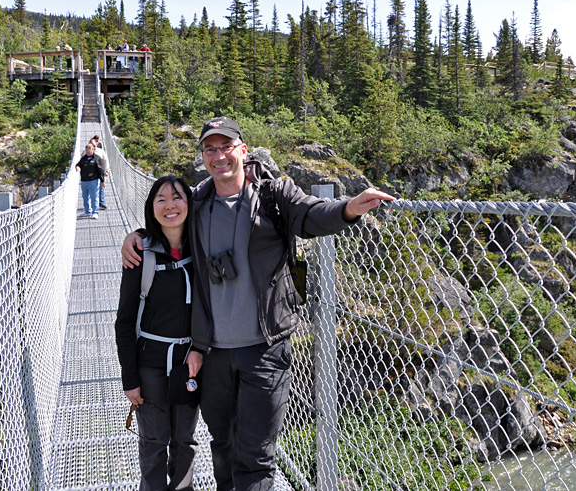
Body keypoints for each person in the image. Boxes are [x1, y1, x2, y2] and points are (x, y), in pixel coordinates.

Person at [122, 116, 395, 490]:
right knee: (223, 447)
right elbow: (167, 220)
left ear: (243, 150)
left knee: (255, 456)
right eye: (210, 149)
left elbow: (312, 214)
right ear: (203, 157)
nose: (219, 156)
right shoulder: (198, 200)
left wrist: (349, 208)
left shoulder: (273, 194)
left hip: (264, 350)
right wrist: (135, 235)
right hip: (211, 353)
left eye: (226, 147)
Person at [116, 175, 202, 491]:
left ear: (190, 204)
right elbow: (124, 321)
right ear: (151, 209)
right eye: (160, 199)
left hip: (189, 365)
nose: (170, 205)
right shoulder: (140, 255)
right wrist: (130, 379)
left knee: (184, 441)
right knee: (154, 442)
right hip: (150, 365)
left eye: (177, 197)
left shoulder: (202, 249)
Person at [75, 142, 106, 218]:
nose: (88, 152)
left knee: (94, 197)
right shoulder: (83, 158)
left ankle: (95, 212)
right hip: (84, 181)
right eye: (86, 150)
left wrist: (102, 181)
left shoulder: (97, 158)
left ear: (93, 150)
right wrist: (77, 167)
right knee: (85, 197)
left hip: (93, 181)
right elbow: (78, 164)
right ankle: (87, 211)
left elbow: (101, 170)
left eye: (89, 150)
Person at [89, 135, 110, 210]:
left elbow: (106, 161)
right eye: (91, 144)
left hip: (100, 172)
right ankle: (93, 204)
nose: (93, 146)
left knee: (101, 187)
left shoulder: (101, 151)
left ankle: (101, 203)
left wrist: (106, 170)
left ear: (97, 144)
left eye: (94, 145)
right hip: (91, 173)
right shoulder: (87, 151)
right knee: (92, 188)